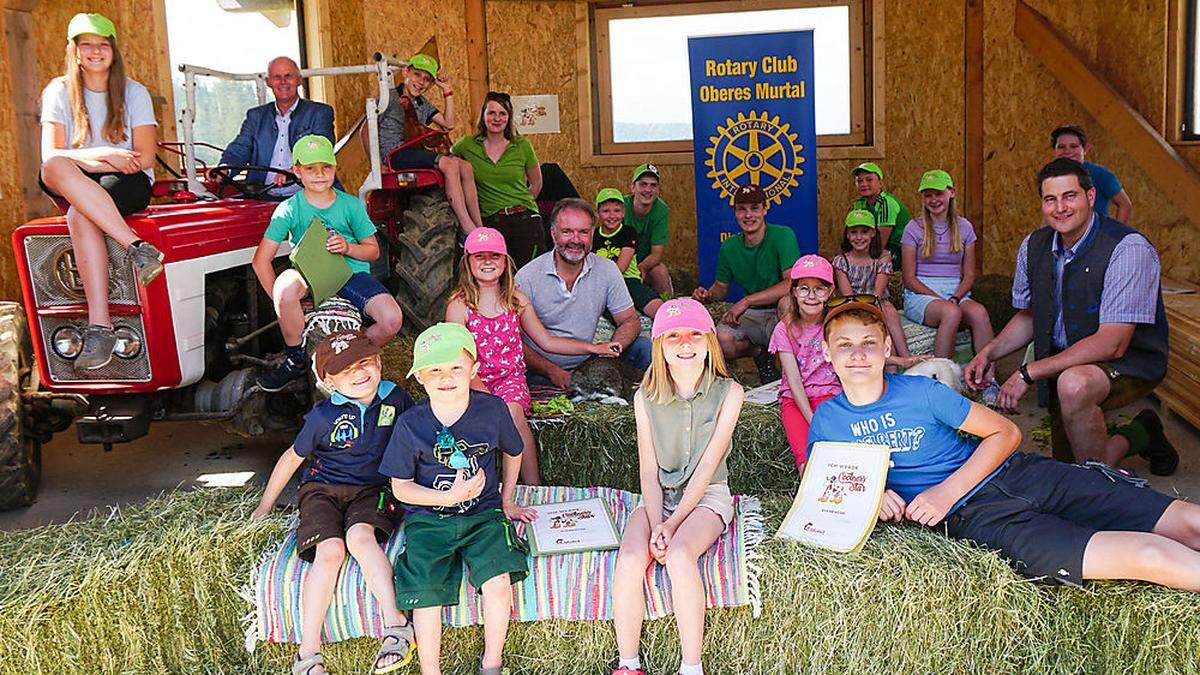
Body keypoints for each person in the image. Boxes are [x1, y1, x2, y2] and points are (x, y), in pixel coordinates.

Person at [811, 297, 1200, 592]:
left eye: (868, 342)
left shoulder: (923, 391)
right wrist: (870, 499)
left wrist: (946, 491)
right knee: (1147, 554)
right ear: (827, 353)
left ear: (885, 350)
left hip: (1022, 474)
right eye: (844, 345)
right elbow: (820, 488)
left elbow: (1007, 433)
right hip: (983, 522)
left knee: (1188, 522)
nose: (858, 354)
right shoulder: (828, 421)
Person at [965, 158, 1178, 475]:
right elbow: (1030, 316)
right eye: (1050, 199)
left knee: (1073, 387)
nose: (1060, 208)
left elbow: (1113, 344)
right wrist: (989, 351)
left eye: (1070, 196)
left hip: (1131, 360)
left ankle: (1099, 495)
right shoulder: (1034, 245)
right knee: (1073, 464)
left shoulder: (1127, 248)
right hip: (1068, 360)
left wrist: (1027, 372)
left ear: (1090, 197)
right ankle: (1141, 432)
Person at [252, 330, 416, 675]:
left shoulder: (397, 399)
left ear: (379, 362)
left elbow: (419, 436)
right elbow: (292, 457)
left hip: (373, 488)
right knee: (329, 554)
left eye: (365, 363)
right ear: (328, 380)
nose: (359, 373)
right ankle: (308, 651)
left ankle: (396, 625)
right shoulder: (323, 416)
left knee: (360, 538)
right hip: (322, 490)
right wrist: (265, 506)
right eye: (346, 370)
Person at [380, 322, 534, 675]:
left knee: (497, 582)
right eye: (434, 369)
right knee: (427, 594)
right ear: (419, 376)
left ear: (474, 370)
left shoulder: (492, 410)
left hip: (483, 514)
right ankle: (430, 670)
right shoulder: (410, 424)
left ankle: (492, 664)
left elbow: (514, 450)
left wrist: (507, 499)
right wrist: (448, 498)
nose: (445, 377)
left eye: (455, 367)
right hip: (429, 519)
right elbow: (401, 487)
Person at [610, 298, 744, 675]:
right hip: (659, 498)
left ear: (710, 342)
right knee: (631, 558)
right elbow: (648, 470)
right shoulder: (644, 398)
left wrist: (672, 525)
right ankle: (628, 663)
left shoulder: (730, 393)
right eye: (673, 337)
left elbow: (707, 468)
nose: (685, 344)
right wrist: (656, 523)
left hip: (706, 495)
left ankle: (691, 666)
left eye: (694, 335)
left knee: (681, 556)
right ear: (659, 346)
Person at [38, 12, 164, 370]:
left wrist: (97, 163)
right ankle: (136, 247)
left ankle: (100, 326)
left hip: (127, 179)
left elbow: (145, 156)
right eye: (87, 45)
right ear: (75, 51)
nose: (95, 51)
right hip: (77, 176)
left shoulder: (133, 92)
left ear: (114, 52)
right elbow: (51, 156)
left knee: (81, 213)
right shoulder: (58, 91)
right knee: (52, 167)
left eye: (103, 45)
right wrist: (102, 156)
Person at [446, 227, 617, 484]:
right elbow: (458, 358)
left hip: (510, 380)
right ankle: (482, 488)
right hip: (473, 380)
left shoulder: (516, 300)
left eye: (495, 255)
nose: (488, 261)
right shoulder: (459, 305)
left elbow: (546, 341)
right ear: (468, 262)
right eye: (480, 256)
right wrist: (481, 390)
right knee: (479, 416)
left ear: (505, 261)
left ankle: (533, 486)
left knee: (513, 414)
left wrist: (592, 348)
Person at [252, 135, 404, 391]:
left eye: (326, 167)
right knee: (284, 287)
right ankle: (296, 357)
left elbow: (373, 251)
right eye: (310, 168)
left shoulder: (351, 205)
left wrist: (347, 247)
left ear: (335, 168)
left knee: (392, 320)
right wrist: (283, 306)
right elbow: (260, 261)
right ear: (297, 171)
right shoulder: (289, 209)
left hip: (351, 274)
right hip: (308, 272)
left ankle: (355, 352)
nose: (319, 174)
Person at [515, 198, 651, 388]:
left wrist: (611, 350)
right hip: (541, 369)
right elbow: (513, 341)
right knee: (527, 381)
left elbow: (629, 320)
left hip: (590, 362)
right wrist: (552, 371)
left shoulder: (607, 269)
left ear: (592, 235)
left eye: (583, 232)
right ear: (553, 234)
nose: (576, 240)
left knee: (645, 348)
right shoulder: (527, 277)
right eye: (567, 232)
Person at [692, 184, 800, 379]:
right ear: (735, 213)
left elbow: (791, 283)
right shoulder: (729, 246)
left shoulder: (783, 235)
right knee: (721, 340)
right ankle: (760, 353)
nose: (748, 215)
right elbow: (721, 288)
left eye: (754, 208)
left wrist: (746, 301)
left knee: (787, 302)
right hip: (753, 316)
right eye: (742, 209)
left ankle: (791, 377)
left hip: (779, 311)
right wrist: (707, 295)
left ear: (765, 209)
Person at [379, 54, 483, 234]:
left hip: (411, 152)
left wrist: (447, 91)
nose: (421, 82)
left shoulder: (421, 102)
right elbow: (367, 129)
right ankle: (468, 228)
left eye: (427, 80)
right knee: (449, 164)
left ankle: (480, 225)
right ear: (406, 72)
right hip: (395, 154)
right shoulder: (388, 98)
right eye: (417, 75)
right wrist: (377, 164)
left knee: (465, 167)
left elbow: (448, 124)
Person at [900, 169, 993, 359]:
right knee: (951, 313)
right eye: (928, 195)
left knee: (979, 313)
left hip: (955, 291)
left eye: (939, 193)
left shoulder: (965, 227)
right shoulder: (913, 227)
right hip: (921, 294)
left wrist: (956, 297)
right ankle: (942, 379)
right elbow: (908, 278)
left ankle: (988, 378)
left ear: (951, 193)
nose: (934, 200)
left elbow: (969, 274)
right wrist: (940, 299)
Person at [215, 56, 335, 195]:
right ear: (268, 82)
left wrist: (293, 171)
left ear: (299, 80)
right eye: (277, 77)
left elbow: (321, 150)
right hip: (261, 195)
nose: (283, 82)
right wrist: (224, 169)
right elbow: (240, 148)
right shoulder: (256, 116)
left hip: (306, 196)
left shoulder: (319, 113)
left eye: (288, 76)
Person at [452, 91, 544, 267]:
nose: (497, 118)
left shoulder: (522, 145)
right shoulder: (467, 145)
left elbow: (536, 183)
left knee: (527, 276)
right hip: (491, 220)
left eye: (502, 114)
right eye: (491, 113)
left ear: (509, 118)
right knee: (496, 276)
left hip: (525, 218)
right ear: (483, 116)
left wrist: (521, 204)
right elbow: (447, 162)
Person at [769, 255, 842, 474]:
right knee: (808, 465)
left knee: (840, 456)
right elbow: (793, 381)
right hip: (796, 401)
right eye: (804, 289)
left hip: (832, 396)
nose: (811, 296)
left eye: (819, 289)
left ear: (829, 292)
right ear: (793, 291)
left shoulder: (836, 324)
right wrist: (812, 420)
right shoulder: (784, 329)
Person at [832, 208, 913, 361]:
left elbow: (878, 293)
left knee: (888, 310)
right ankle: (892, 360)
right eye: (854, 232)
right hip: (852, 305)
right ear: (847, 235)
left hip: (877, 302)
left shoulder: (882, 257)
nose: (859, 237)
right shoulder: (842, 261)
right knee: (885, 333)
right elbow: (848, 296)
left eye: (864, 232)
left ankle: (907, 358)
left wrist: (876, 310)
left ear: (873, 233)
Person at [593, 188, 664, 318]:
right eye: (606, 211)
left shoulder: (628, 232)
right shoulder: (593, 236)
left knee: (649, 301)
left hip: (628, 280)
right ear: (597, 213)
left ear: (624, 213)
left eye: (617, 211)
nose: (612, 216)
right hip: (603, 285)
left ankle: (667, 319)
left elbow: (621, 268)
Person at [1051, 125, 1132, 223]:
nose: (1067, 151)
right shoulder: (1051, 176)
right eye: (1061, 147)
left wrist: (1115, 234)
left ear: (1085, 149)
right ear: (1054, 150)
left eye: (1074, 146)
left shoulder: (1100, 174)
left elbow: (1125, 204)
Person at [623, 163, 673, 296]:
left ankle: (669, 309)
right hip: (620, 261)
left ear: (658, 190)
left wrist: (642, 267)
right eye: (643, 184)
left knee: (660, 272)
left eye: (653, 185)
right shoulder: (620, 207)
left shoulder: (661, 210)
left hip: (645, 262)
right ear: (633, 187)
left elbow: (657, 253)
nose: (648, 190)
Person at [851, 162, 911, 268]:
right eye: (859, 181)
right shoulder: (859, 203)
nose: (864, 184)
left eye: (869, 180)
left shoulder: (887, 203)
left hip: (898, 248)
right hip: (873, 245)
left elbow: (880, 243)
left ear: (880, 184)